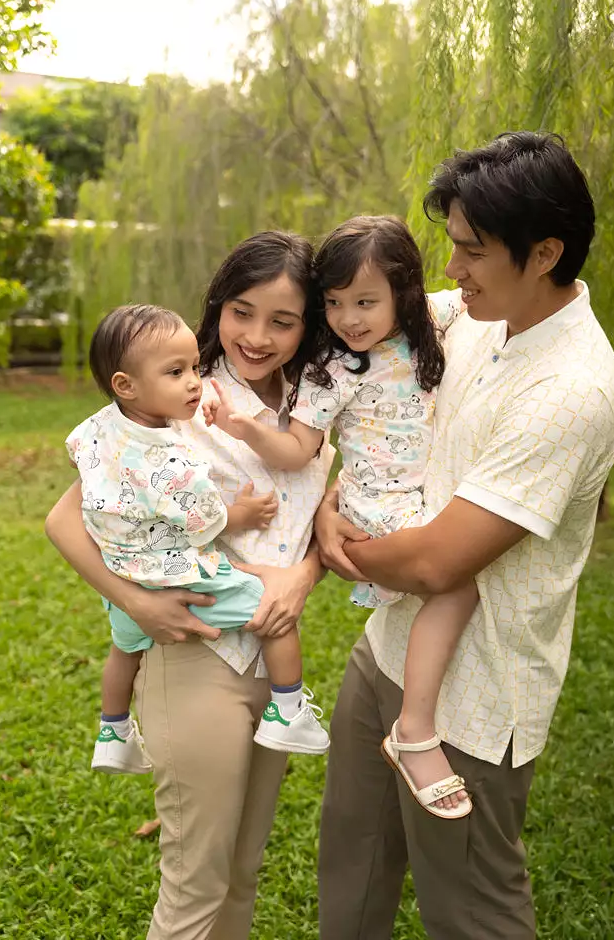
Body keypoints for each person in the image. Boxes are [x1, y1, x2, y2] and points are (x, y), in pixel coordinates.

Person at [315, 132, 614, 940]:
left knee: (471, 914)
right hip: (387, 646)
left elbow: (436, 560)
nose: (449, 271)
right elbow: (375, 321)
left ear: (544, 252)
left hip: (475, 698)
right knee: (350, 865)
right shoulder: (476, 316)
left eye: (471, 252)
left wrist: (327, 542)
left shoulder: (571, 391)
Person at [45, 231, 333, 940]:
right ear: (217, 307)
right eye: (241, 311)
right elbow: (63, 519)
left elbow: (329, 517)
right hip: (196, 655)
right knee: (195, 885)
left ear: (307, 327)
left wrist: (303, 573)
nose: (257, 336)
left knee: (241, 873)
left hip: (272, 662)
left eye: (283, 320)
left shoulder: (319, 404)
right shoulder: (175, 390)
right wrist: (135, 602)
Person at [207, 215, 478, 816]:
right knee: (456, 588)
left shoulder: (431, 324)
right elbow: (300, 449)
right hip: (377, 504)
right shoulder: (330, 370)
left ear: (403, 295)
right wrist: (248, 427)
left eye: (365, 302)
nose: (349, 318)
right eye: (333, 303)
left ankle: (411, 719)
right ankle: (415, 728)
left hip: (418, 498)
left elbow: (475, 292)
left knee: (451, 586)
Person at [68, 302, 329, 774]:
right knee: (272, 612)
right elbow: (206, 522)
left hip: (122, 571)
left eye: (193, 367)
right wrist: (243, 513)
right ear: (126, 385)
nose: (194, 381)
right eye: (176, 373)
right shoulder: (174, 457)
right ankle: (289, 710)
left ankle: (113, 730)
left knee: (123, 650)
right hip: (175, 576)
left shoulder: (100, 428)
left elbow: (77, 456)